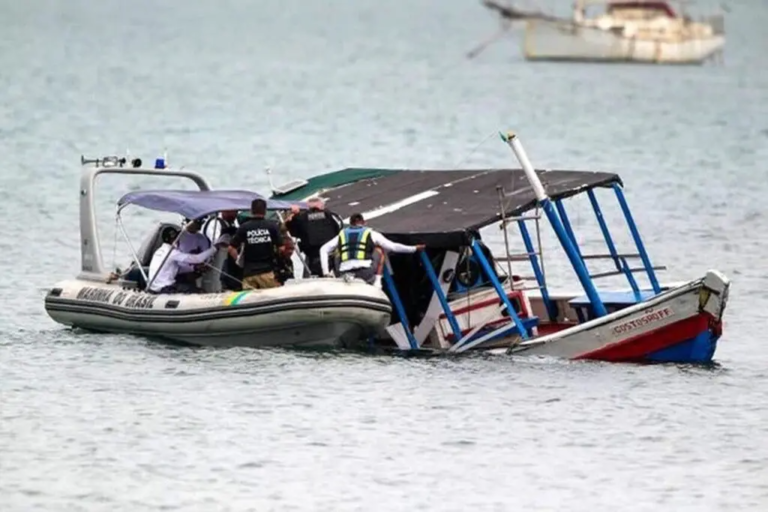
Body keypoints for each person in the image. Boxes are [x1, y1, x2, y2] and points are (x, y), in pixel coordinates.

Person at [319, 212, 425, 286]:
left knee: (338, 252)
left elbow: (323, 249)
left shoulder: (341, 234)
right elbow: (393, 247)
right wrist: (414, 248)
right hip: (365, 273)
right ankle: (378, 281)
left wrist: (326, 272)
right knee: (380, 250)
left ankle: (334, 277)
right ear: (364, 223)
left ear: (350, 223)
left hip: (344, 273)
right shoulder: (371, 233)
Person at [147, 226, 228, 294]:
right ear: (173, 240)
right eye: (176, 238)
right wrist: (215, 248)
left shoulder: (159, 251)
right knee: (200, 291)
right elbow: (197, 259)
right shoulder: (172, 253)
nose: (178, 240)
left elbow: (175, 269)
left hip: (154, 287)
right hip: (165, 288)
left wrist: (194, 268)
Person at [228, 198, 284, 290]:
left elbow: (231, 248)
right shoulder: (272, 226)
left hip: (248, 274)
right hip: (267, 272)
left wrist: (239, 262)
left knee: (250, 297)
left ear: (251, 211)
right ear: (265, 211)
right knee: (270, 296)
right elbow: (281, 248)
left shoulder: (244, 227)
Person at [285, 196, 343, 277]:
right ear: (322, 205)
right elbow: (340, 230)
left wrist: (294, 215)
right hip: (333, 256)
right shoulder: (331, 216)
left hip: (313, 258)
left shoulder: (301, 218)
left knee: (315, 279)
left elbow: (292, 232)